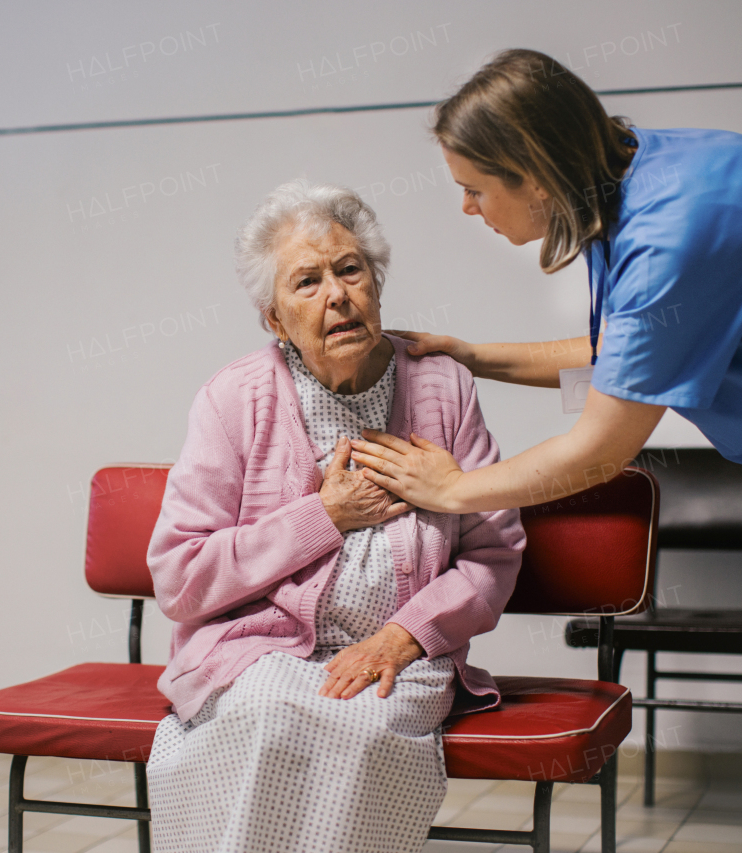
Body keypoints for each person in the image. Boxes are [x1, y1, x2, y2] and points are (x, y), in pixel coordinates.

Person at [348, 48, 742, 853]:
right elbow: (622, 355)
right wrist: (470, 352)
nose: (468, 209)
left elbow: (599, 448)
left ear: (534, 173)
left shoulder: (678, 223)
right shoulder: (627, 186)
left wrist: (451, 489)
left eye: (475, 189)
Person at [145, 179, 526, 853]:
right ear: (274, 318)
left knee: (366, 721)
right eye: (307, 281)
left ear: (376, 283)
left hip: (398, 657)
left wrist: (406, 635)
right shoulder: (233, 400)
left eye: (350, 270)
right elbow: (179, 578)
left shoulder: (442, 386)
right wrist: (322, 515)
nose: (337, 295)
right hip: (256, 650)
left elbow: (492, 553)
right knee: (265, 712)